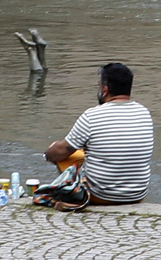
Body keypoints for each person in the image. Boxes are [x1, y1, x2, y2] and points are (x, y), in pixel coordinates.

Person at [44, 63, 153, 205]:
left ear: (105, 90)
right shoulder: (144, 113)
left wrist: (48, 153)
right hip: (137, 195)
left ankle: (74, 195)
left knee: (60, 151)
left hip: (100, 195)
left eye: (99, 86)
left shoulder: (92, 116)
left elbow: (59, 152)